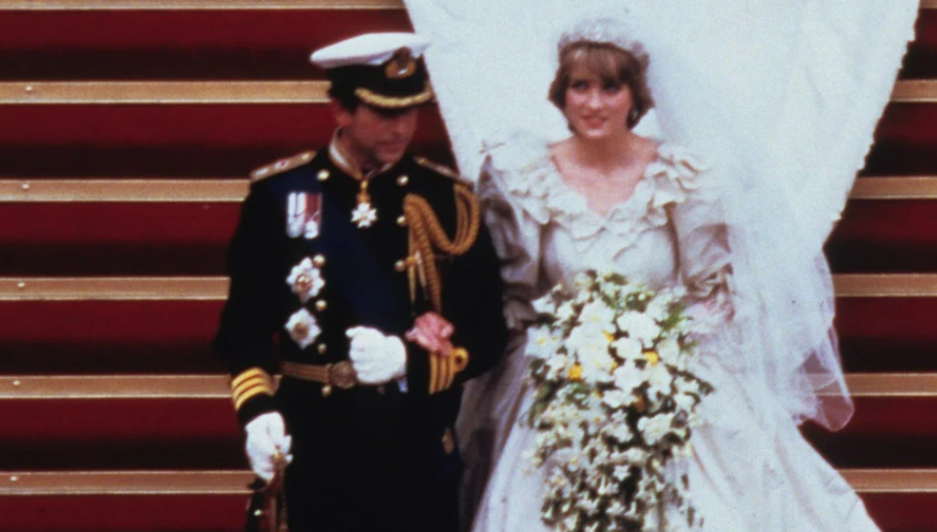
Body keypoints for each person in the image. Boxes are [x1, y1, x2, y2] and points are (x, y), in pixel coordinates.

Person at [452, 20, 884, 531]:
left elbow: (715, 295)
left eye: (611, 87)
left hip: (669, 380)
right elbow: (514, 299)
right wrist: (575, 357)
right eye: (580, 86)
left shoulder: (683, 176)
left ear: (636, 95)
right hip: (561, 388)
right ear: (561, 93)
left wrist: (650, 355)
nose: (594, 103)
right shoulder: (523, 174)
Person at [213, 32, 508, 532]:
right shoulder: (280, 195)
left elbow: (487, 332)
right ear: (341, 111)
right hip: (314, 443)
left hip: (412, 447)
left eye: (412, 111)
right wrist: (258, 411)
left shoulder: (447, 201)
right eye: (385, 113)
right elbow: (242, 330)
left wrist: (408, 361)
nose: (403, 127)